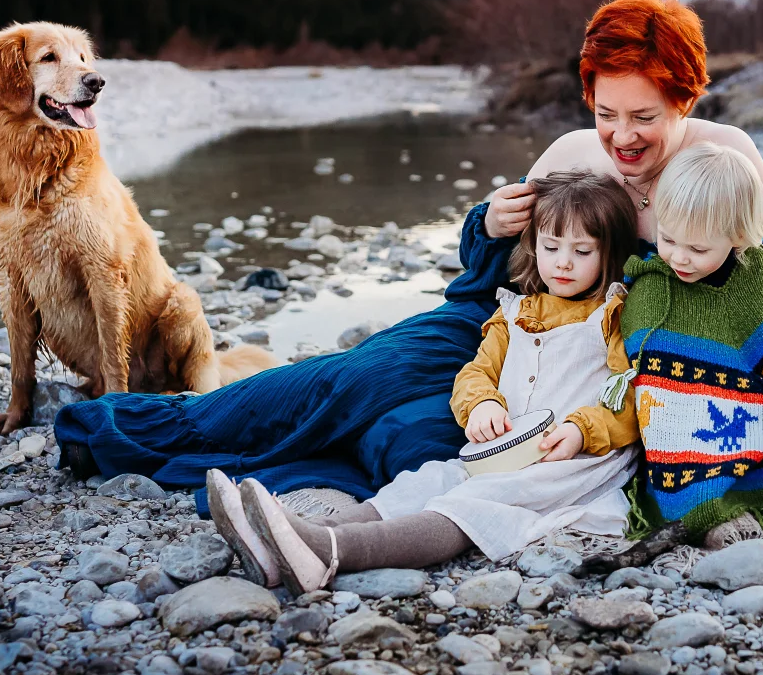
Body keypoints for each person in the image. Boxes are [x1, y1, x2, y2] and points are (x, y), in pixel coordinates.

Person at [53, 0, 763, 513]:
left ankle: (311, 469)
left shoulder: (726, 166)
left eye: (646, 116)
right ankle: (130, 429)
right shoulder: (574, 151)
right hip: (499, 326)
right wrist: (492, 223)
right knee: (346, 380)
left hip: (593, 378)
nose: (623, 136)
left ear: (686, 100)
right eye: (608, 113)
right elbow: (485, 273)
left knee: (400, 439)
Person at [205, 171, 642, 593]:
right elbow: (475, 373)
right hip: (503, 452)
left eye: (582, 252)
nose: (563, 262)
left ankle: (329, 549)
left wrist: (581, 430)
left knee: (469, 508)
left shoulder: (613, 317)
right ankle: (283, 544)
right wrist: (482, 405)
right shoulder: (514, 313)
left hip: (569, 465)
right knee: (424, 482)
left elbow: (628, 394)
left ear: (610, 256)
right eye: (551, 246)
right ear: (533, 246)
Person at [582, 142, 763, 574]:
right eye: (668, 239)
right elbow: (638, 352)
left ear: (738, 237)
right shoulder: (653, 284)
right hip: (677, 413)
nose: (679, 257)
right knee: (676, 457)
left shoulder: (758, 277)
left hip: (753, 402)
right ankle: (703, 504)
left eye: (698, 249)